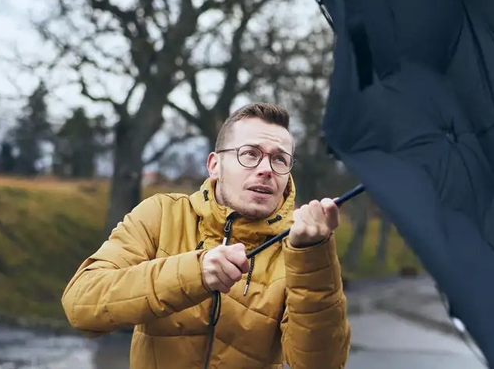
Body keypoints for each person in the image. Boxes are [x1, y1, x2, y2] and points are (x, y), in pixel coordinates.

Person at [61, 102, 351, 369]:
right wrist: (195, 272)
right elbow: (81, 305)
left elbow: (322, 364)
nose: (266, 169)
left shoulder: (301, 249)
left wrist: (313, 259)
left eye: (279, 159)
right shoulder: (162, 215)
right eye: (250, 154)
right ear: (215, 165)